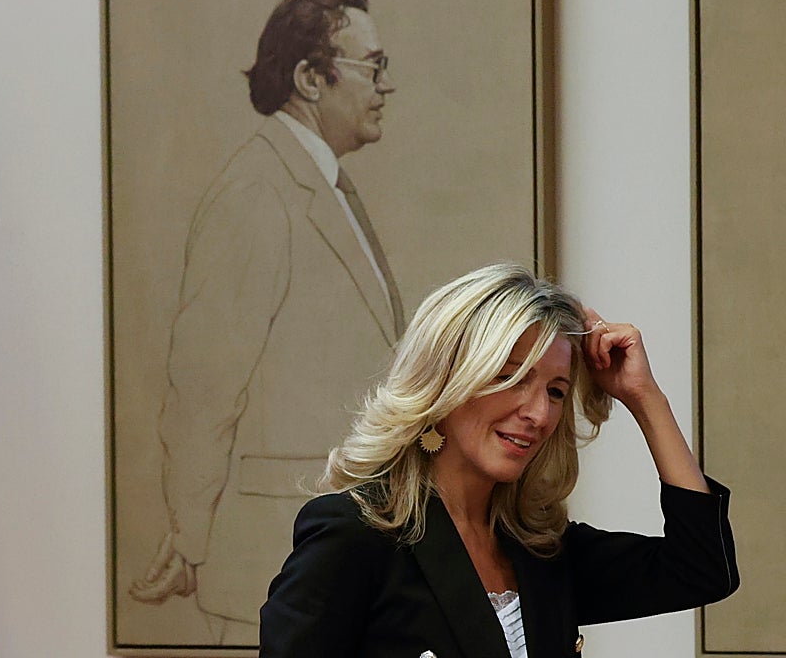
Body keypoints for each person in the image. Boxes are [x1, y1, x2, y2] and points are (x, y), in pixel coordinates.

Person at [259, 263, 739, 656]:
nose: (538, 413)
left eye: (555, 391)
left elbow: (702, 569)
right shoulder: (355, 535)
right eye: (509, 377)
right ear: (446, 381)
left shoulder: (542, 550)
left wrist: (645, 398)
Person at [130, 0, 406, 643]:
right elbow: (202, 390)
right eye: (373, 68)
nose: (384, 87)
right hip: (273, 575)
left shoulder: (323, 185)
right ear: (312, 78)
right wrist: (192, 538)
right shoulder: (256, 192)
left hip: (336, 571)